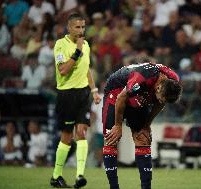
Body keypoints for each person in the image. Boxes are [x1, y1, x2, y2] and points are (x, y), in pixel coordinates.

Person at [102, 62, 182, 189]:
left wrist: (147, 125)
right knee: (111, 138)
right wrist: (118, 125)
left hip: (140, 94)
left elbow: (160, 103)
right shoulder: (142, 78)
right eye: (161, 98)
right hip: (117, 91)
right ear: (159, 88)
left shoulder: (172, 82)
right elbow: (122, 98)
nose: (161, 101)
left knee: (143, 138)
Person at [50, 13, 101, 188]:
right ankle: (56, 176)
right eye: (77, 27)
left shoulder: (86, 45)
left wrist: (94, 90)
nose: (81, 30)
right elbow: (63, 70)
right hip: (66, 94)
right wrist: (77, 51)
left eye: (83, 27)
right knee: (66, 136)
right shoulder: (60, 45)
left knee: (81, 132)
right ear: (69, 28)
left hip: (83, 94)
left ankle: (80, 176)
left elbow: (86, 69)